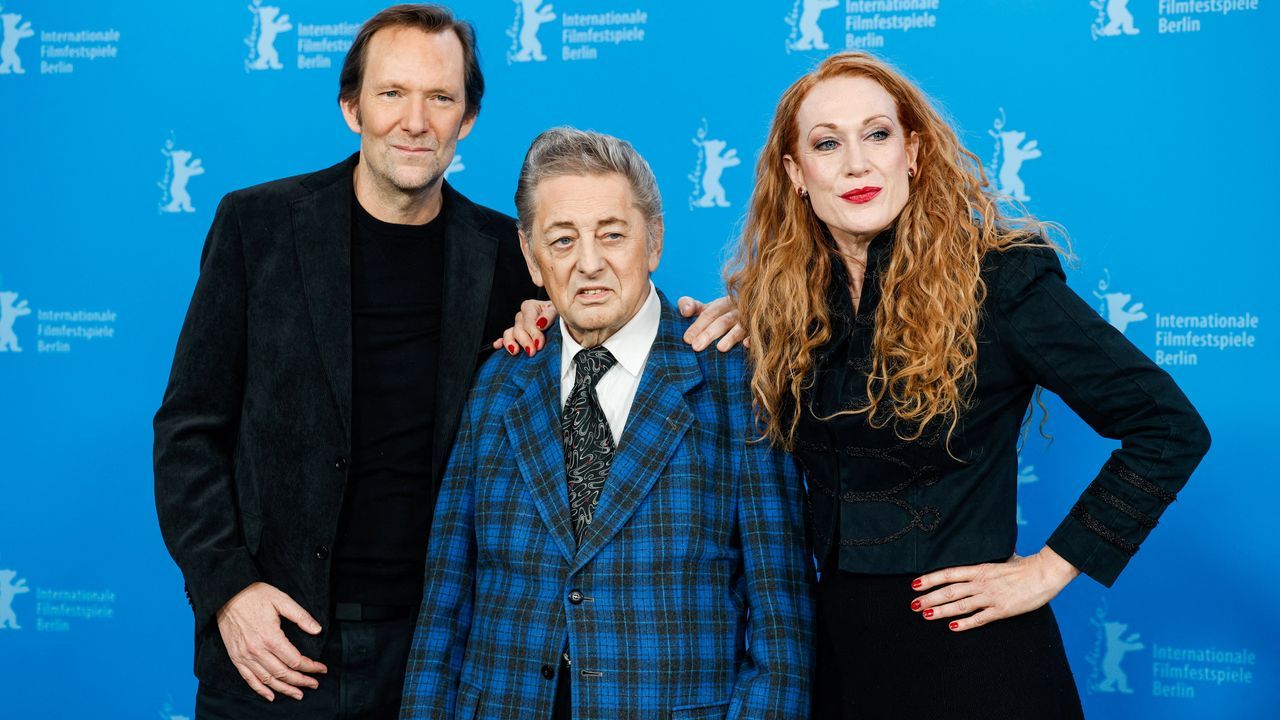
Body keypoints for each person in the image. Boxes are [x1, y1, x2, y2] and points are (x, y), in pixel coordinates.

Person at [726, 52, 1211, 718]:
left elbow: (1169, 426)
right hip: (838, 662)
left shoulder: (1000, 280)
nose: (857, 164)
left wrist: (1050, 568)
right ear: (795, 173)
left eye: (877, 134)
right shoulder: (785, 306)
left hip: (978, 664)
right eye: (827, 144)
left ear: (912, 153)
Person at [152, 6, 541, 718]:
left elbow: (614, 319)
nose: (415, 121)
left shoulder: (510, 255)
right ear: (351, 107)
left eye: (441, 97)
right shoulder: (257, 227)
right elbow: (188, 432)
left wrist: (713, 318)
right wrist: (228, 590)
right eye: (392, 93)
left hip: (440, 658)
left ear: (468, 119)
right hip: (275, 652)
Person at [399, 128, 814, 720]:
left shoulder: (734, 381)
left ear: (654, 241)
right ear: (531, 258)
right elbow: (445, 603)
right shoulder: (499, 379)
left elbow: (782, 629)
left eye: (612, 235)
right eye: (562, 240)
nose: (589, 263)